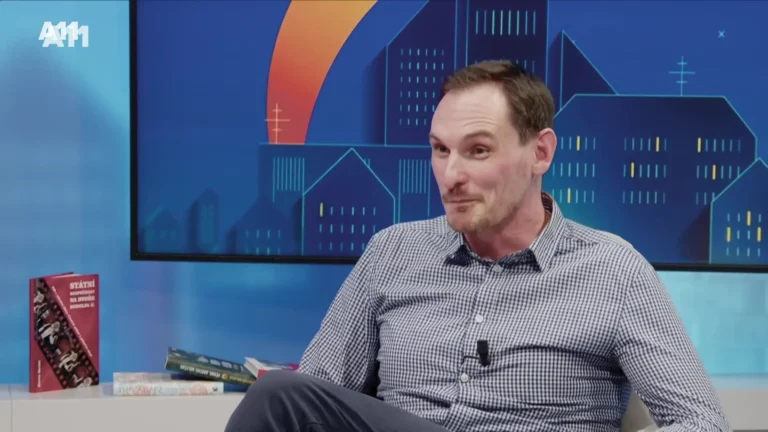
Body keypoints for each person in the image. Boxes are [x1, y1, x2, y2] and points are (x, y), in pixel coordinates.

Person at [225, 60, 730, 431]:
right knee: (279, 396)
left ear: (540, 152)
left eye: (478, 151)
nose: (451, 175)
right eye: (440, 150)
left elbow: (701, 421)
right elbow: (315, 396)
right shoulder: (392, 252)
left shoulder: (612, 269)